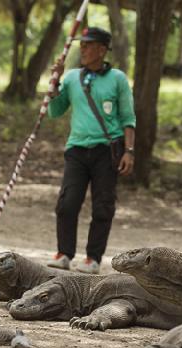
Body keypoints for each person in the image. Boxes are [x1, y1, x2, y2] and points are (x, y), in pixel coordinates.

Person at [45, 27, 136, 274]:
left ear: (102, 49)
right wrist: (54, 83)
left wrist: (129, 150)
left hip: (107, 150)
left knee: (103, 205)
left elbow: (128, 117)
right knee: (67, 203)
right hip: (76, 149)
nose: (82, 49)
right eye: (81, 45)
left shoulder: (117, 78)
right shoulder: (73, 77)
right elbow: (54, 111)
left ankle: (93, 258)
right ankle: (64, 253)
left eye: (88, 45)